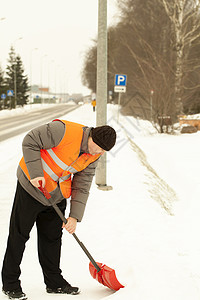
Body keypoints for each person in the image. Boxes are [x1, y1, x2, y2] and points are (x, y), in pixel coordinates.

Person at [1, 119, 116, 300]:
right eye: (99, 148)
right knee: (19, 235)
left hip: (56, 194)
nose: (100, 153)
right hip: (31, 187)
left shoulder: (94, 155)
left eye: (104, 151)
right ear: (92, 137)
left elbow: (82, 184)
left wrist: (74, 217)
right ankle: (10, 284)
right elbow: (30, 141)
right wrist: (36, 174)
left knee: (52, 240)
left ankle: (54, 283)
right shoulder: (62, 131)